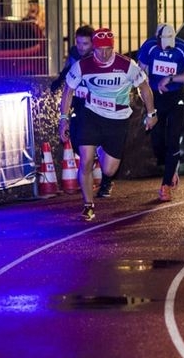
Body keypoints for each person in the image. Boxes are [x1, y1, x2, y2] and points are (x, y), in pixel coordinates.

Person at [58, 28, 157, 221]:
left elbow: (144, 87)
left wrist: (152, 113)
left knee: (109, 170)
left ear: (114, 47)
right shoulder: (82, 66)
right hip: (91, 115)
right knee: (86, 160)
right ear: (93, 48)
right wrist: (63, 119)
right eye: (100, 49)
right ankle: (88, 205)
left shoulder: (127, 65)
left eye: (108, 50)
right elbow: (68, 91)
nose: (104, 54)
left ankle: (101, 148)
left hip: (117, 119)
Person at [137, 24, 184, 202]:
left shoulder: (183, 47)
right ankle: (171, 167)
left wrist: (171, 78)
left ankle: (166, 185)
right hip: (156, 98)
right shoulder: (148, 47)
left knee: (173, 138)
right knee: (157, 141)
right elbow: (140, 73)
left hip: (176, 96)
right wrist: (147, 93)